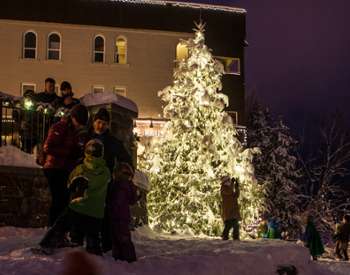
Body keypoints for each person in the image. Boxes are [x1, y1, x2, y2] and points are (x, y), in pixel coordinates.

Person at [39, 139, 111, 255]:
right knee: (93, 235)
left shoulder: (80, 168)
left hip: (77, 206)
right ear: (102, 154)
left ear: (86, 152)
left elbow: (70, 183)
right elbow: (104, 182)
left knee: (61, 225)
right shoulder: (105, 171)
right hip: (95, 211)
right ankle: (94, 252)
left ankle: (48, 244)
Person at [90, 108, 133, 252]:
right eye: (98, 122)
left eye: (104, 123)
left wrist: (123, 171)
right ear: (94, 122)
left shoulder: (112, 141)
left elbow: (125, 158)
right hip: (88, 179)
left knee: (105, 213)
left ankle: (106, 243)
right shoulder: (86, 137)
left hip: (105, 182)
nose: (100, 126)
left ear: (108, 125)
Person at [42, 104, 89, 226]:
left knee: (63, 201)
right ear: (73, 118)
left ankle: (58, 230)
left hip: (65, 168)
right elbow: (48, 147)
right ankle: (53, 229)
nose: (80, 125)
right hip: (54, 168)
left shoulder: (74, 131)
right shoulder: (60, 127)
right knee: (59, 200)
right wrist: (70, 153)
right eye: (79, 121)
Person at [110, 162, 138, 262]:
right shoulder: (127, 185)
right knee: (119, 237)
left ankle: (128, 257)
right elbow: (132, 200)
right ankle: (120, 256)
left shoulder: (121, 185)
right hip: (121, 215)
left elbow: (119, 201)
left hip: (119, 215)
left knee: (122, 237)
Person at [221, 176, 241, 240]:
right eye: (229, 181)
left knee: (230, 225)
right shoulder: (223, 188)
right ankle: (234, 237)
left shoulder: (230, 188)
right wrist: (232, 184)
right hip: (228, 210)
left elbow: (236, 195)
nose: (229, 182)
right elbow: (228, 192)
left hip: (233, 209)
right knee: (232, 224)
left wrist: (236, 187)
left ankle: (226, 236)